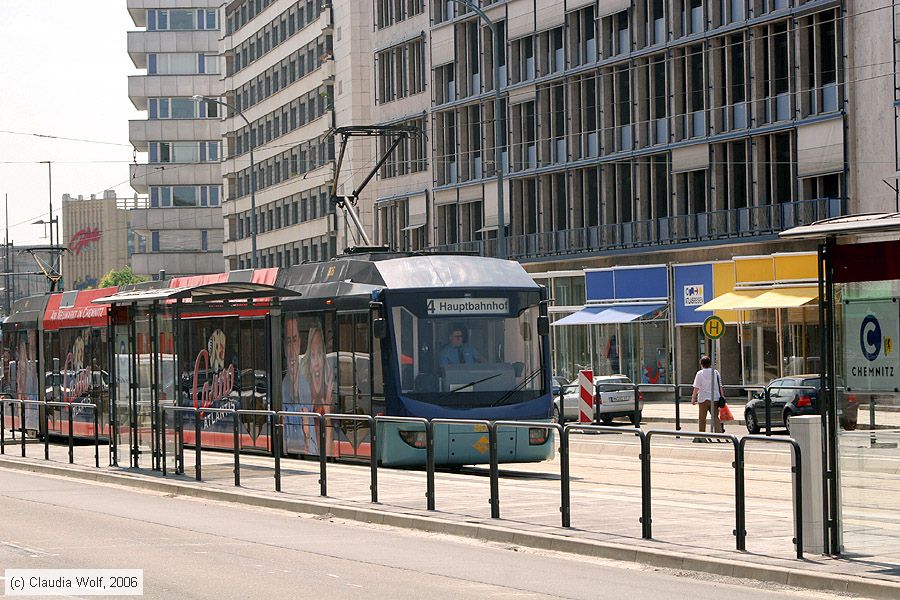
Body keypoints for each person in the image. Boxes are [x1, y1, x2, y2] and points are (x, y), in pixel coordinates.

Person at [281, 316, 314, 454]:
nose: (291, 349)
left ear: (300, 343)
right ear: (283, 346)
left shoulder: (307, 387)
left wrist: (307, 436)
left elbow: (312, 446)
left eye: (294, 340)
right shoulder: (280, 388)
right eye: (288, 342)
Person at [301, 324, 334, 455]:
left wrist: (328, 418)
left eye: (320, 354)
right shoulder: (304, 396)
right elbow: (308, 448)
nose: (316, 362)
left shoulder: (329, 395)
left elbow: (329, 453)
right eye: (313, 355)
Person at [691, 355, 725, 441]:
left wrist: (693, 398)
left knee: (702, 418)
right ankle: (719, 435)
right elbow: (720, 385)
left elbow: (696, 387)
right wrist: (722, 396)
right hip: (715, 398)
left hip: (703, 398)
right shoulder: (716, 372)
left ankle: (702, 436)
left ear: (701, 364)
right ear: (710, 364)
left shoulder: (700, 373)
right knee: (715, 417)